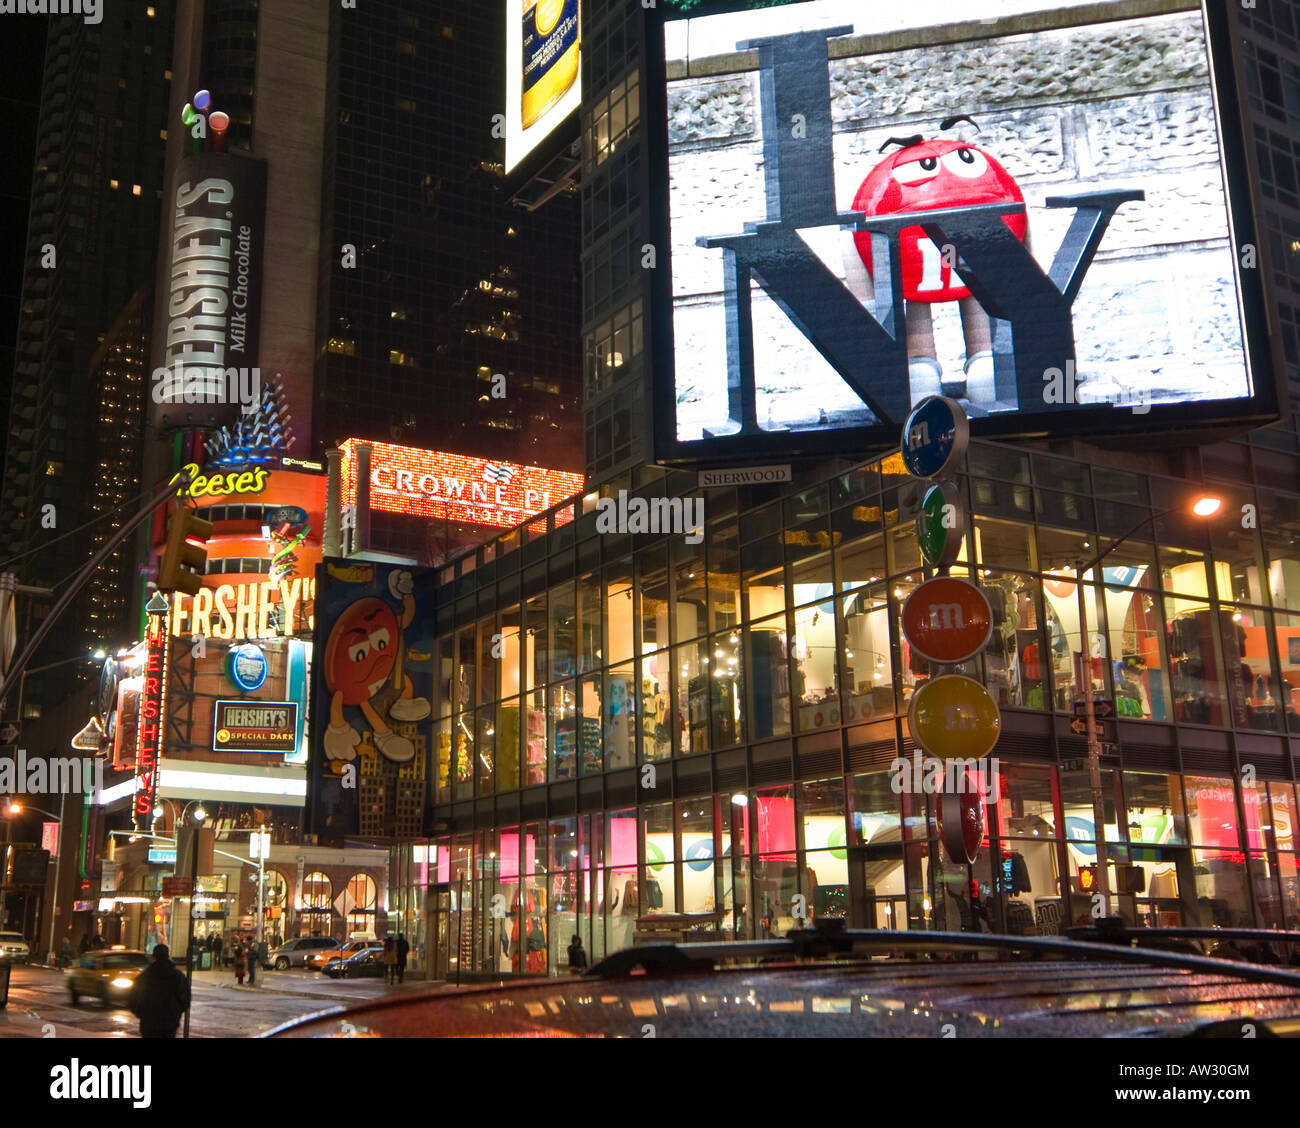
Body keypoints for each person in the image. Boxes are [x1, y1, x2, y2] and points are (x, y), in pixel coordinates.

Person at [127, 944, 191, 1039]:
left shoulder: (145, 976)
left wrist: (142, 1015)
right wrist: (175, 1013)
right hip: (169, 1024)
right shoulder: (178, 976)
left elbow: (133, 999)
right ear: (167, 956)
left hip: (149, 1024)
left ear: (154, 957)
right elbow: (185, 1000)